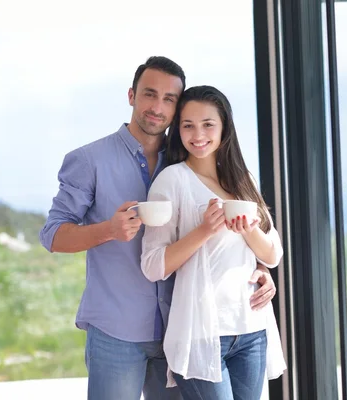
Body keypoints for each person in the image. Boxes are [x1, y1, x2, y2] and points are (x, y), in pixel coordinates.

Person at [39, 57, 278, 400]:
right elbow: (52, 234)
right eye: (150, 94)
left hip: (182, 327)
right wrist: (108, 229)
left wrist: (255, 267)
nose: (157, 107)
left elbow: (226, 236)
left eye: (169, 99)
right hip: (117, 330)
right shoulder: (90, 159)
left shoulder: (187, 161)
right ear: (132, 95)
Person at [140, 85, 286, 400]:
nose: (198, 134)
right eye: (188, 125)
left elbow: (273, 254)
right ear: (178, 131)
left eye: (208, 124)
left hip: (251, 329)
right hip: (200, 334)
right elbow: (153, 265)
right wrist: (204, 230)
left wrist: (248, 230)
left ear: (224, 128)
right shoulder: (172, 181)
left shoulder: (243, 179)